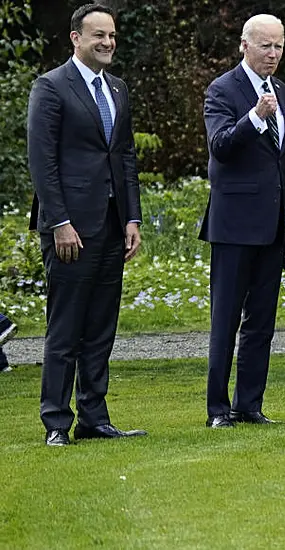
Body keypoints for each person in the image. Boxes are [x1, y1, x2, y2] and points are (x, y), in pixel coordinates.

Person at [26, 4, 146, 447]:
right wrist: (59, 221)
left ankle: (93, 417)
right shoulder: (51, 87)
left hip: (112, 228)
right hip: (70, 230)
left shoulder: (117, 88)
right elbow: (42, 162)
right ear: (75, 38)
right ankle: (56, 421)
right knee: (66, 329)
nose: (108, 42)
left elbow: (125, 158)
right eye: (98, 35)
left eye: (112, 35)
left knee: (100, 329)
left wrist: (132, 217)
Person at [199, 14, 285, 428]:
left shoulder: (282, 90)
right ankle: (217, 409)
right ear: (244, 45)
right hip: (232, 227)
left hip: (272, 228)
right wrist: (256, 117)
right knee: (225, 321)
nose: (273, 54)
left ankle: (249, 404)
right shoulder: (222, 90)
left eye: (279, 45)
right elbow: (221, 148)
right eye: (266, 45)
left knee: (262, 322)